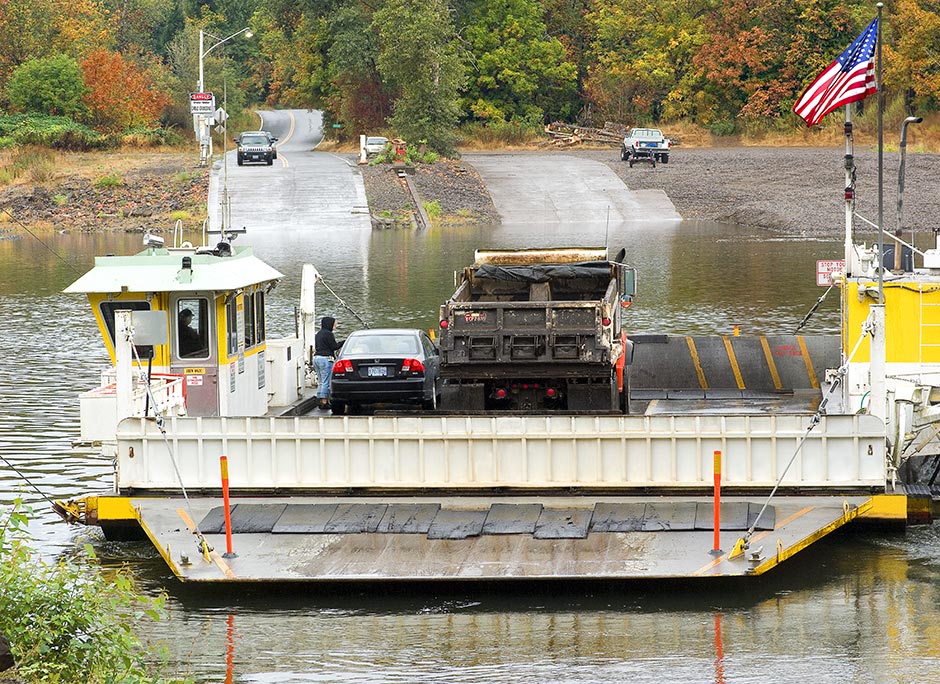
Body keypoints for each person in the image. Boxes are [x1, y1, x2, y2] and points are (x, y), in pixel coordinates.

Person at [313, 316, 344, 410]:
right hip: (325, 359)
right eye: (334, 323)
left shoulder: (318, 334)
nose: (335, 325)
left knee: (321, 380)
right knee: (326, 381)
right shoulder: (328, 334)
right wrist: (343, 342)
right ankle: (324, 402)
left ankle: (320, 399)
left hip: (316, 358)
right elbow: (334, 346)